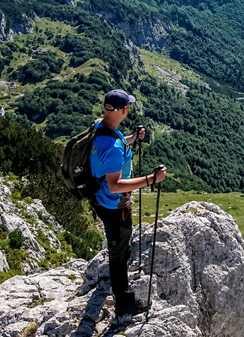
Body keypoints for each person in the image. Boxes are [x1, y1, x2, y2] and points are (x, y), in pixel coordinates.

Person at [90, 89, 166, 316]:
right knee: (118, 252)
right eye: (128, 105)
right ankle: (124, 302)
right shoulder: (112, 147)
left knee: (122, 243)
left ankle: (122, 256)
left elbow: (114, 147)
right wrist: (151, 179)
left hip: (100, 198)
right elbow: (115, 185)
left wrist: (131, 138)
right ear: (123, 109)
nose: (129, 108)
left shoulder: (99, 126)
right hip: (114, 205)